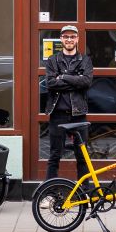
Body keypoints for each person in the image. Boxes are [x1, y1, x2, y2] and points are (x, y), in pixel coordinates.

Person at [43, 25, 93, 180]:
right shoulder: (53, 60)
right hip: (57, 114)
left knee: (82, 156)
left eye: (72, 37)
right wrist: (75, 80)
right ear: (61, 39)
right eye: (66, 37)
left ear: (77, 39)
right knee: (54, 156)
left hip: (78, 115)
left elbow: (86, 82)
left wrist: (63, 77)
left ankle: (84, 194)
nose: (69, 40)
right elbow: (50, 83)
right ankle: (49, 194)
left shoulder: (85, 60)